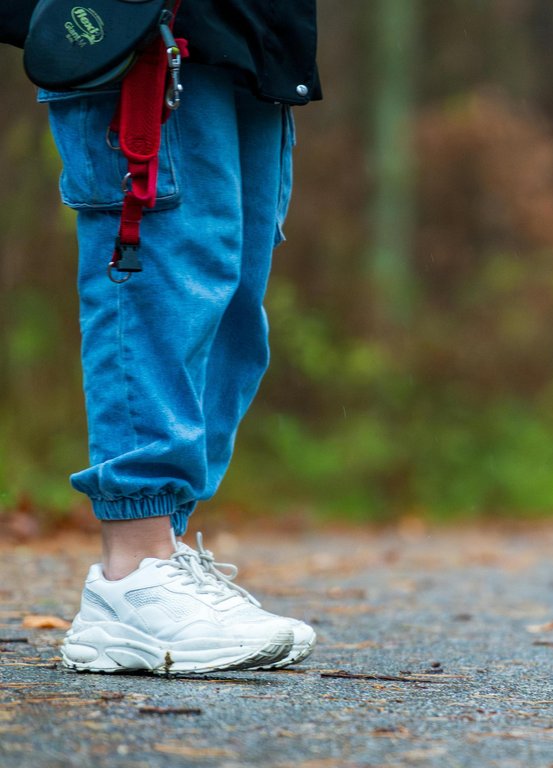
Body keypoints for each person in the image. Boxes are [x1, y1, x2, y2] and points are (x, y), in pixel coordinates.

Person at [2, 1, 322, 673]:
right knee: (162, 283)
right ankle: (133, 567)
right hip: (142, 25)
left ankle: (162, 557)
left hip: (251, 41)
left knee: (229, 301)